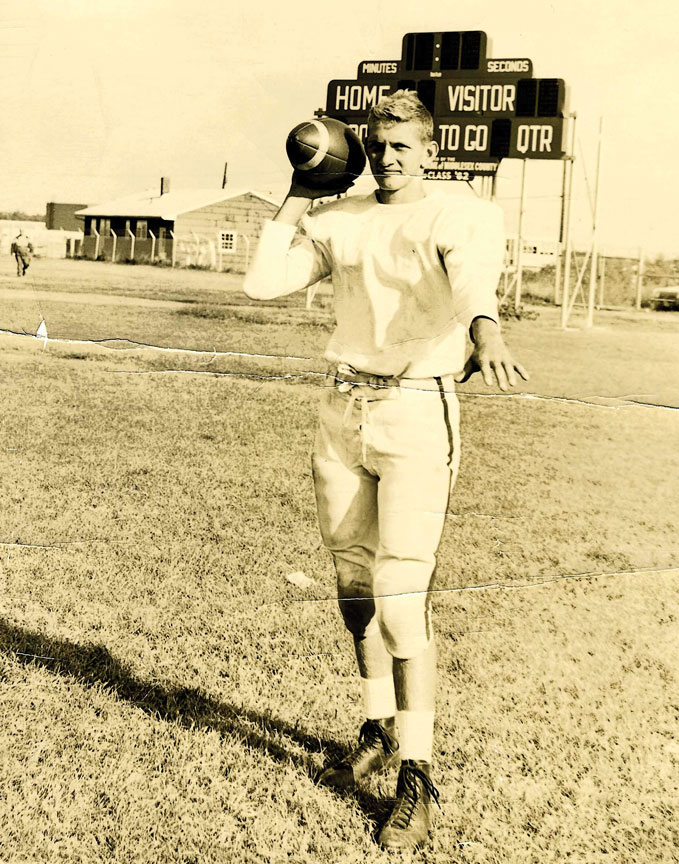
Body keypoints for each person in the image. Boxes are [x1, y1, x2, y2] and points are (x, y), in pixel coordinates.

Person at [243, 90, 528, 852]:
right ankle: (374, 721)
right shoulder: (342, 217)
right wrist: (300, 195)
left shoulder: (456, 211)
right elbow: (263, 283)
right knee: (354, 589)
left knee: (402, 601)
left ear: (430, 150)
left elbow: (472, 280)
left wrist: (486, 331)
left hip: (414, 410)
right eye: (380, 143)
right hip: (342, 411)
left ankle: (417, 773)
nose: (390, 156)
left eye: (405, 145)